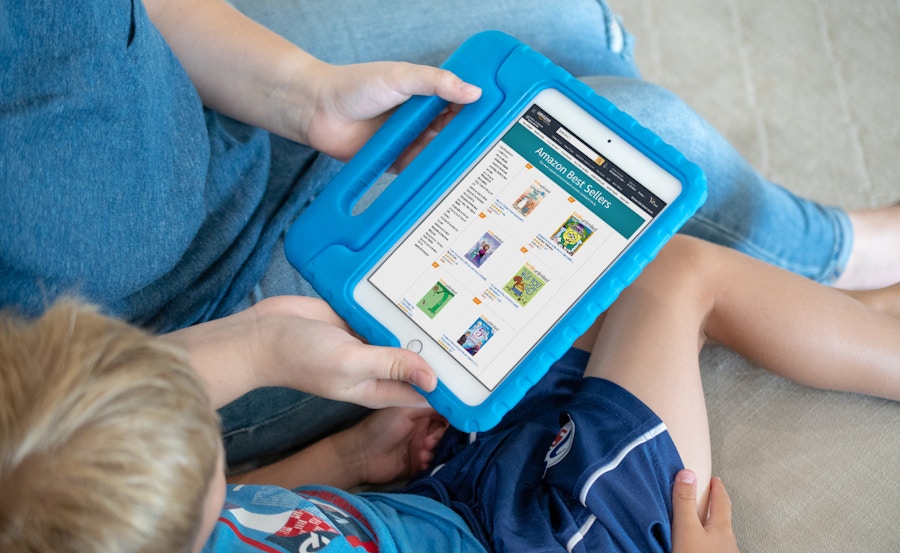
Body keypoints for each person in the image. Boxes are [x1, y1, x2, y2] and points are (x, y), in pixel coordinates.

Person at [3, 0, 899, 470]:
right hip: (181, 332)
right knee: (642, 133)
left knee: (560, 27)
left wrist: (308, 97)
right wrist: (259, 351)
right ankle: (840, 254)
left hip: (204, 125)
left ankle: (775, 251)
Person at [2, 235, 898, 553]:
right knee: (674, 277)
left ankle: (862, 319)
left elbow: (229, 518)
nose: (223, 460)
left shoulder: (75, 548)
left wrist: (349, 459)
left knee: (560, 303)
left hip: (434, 505)